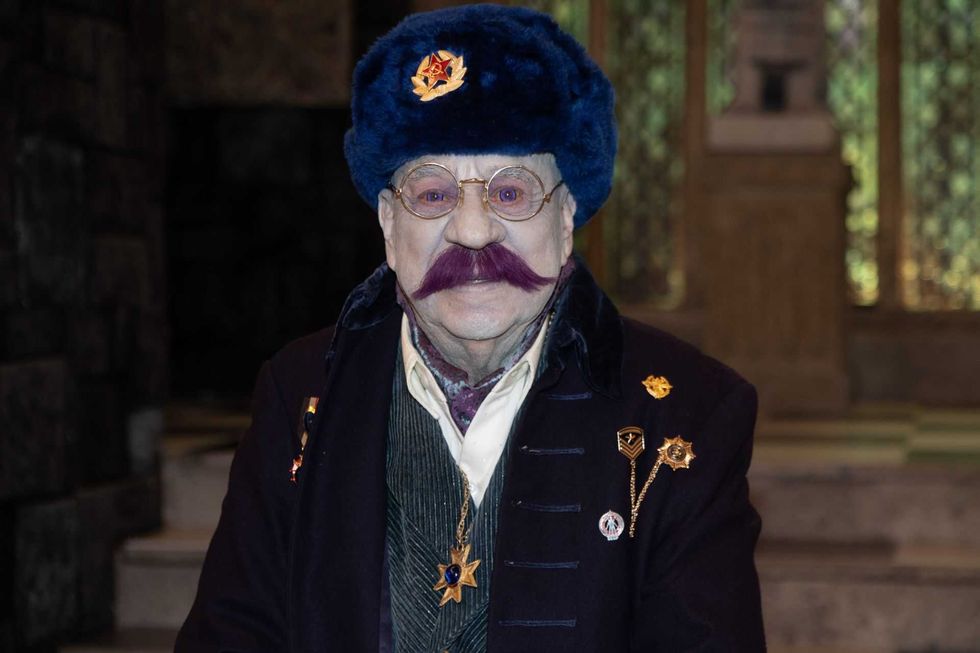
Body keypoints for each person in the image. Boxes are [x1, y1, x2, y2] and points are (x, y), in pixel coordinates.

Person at [175, 5, 765, 652]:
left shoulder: (688, 417)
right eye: (432, 194)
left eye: (511, 192)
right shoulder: (299, 394)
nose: (474, 229)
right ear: (388, 226)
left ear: (566, 217)